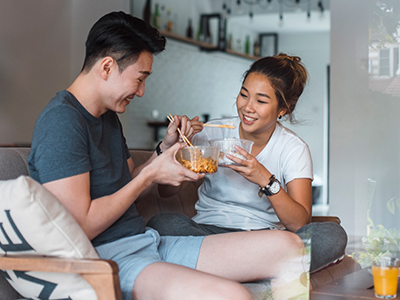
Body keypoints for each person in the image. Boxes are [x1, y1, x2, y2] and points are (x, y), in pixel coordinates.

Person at [28, 11, 306, 300]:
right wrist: (150, 173)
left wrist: (164, 150)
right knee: (233, 296)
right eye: (140, 79)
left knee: (290, 247)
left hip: (146, 244)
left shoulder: (107, 117)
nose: (142, 91)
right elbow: (77, 226)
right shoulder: (62, 121)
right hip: (109, 260)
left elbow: (130, 185)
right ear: (107, 67)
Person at [147, 54, 348, 273]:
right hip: (207, 234)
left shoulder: (293, 148)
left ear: (283, 109)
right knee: (162, 223)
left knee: (332, 235)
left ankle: (216, 268)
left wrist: (265, 179)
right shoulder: (209, 133)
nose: (247, 107)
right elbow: (166, 192)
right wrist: (181, 153)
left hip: (264, 239)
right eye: (244, 95)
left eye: (261, 101)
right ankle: (258, 270)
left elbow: (300, 223)